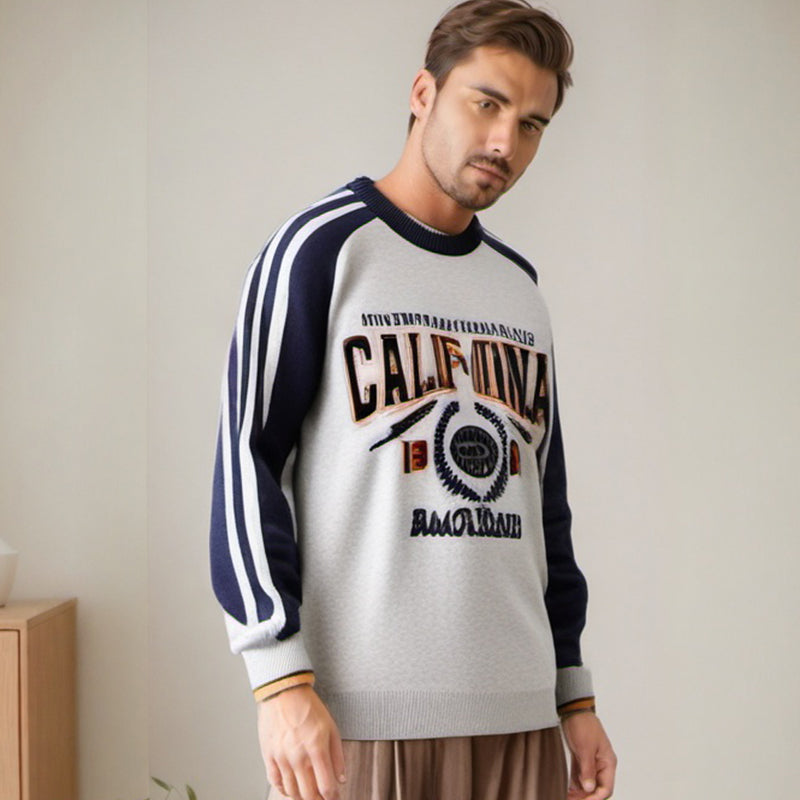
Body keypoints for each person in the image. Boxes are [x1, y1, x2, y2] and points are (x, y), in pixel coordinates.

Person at [209, 1, 617, 798]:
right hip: (362, 726)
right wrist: (278, 679)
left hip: (521, 718)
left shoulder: (519, 289)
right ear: (424, 93)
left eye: (532, 124)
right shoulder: (321, 252)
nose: (505, 143)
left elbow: (545, 504)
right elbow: (246, 463)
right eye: (487, 103)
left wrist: (574, 694)